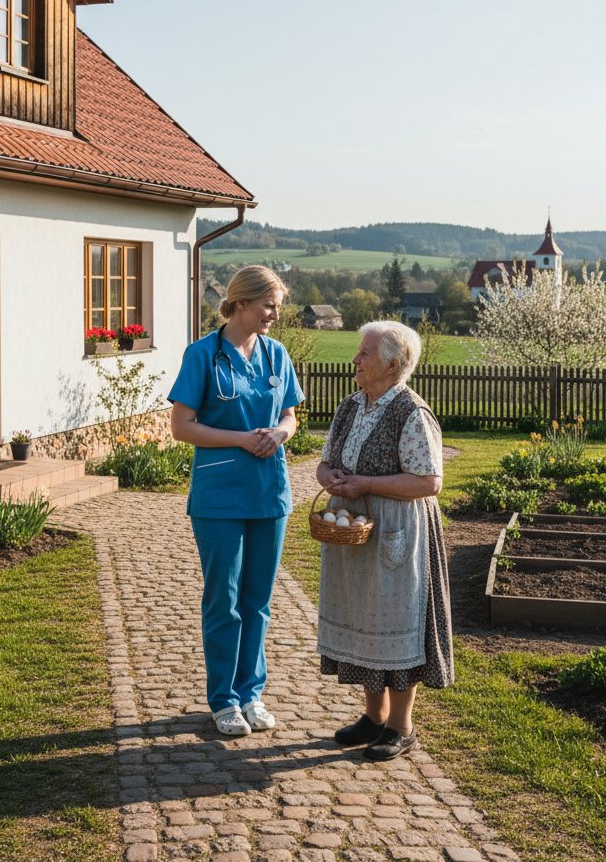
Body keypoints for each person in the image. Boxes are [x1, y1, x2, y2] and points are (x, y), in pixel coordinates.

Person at [169, 265, 304, 737]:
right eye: (269, 305)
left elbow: (290, 415)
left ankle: (251, 694)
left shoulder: (276, 354)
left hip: (269, 493)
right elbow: (182, 426)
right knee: (223, 601)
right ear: (241, 303)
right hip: (219, 497)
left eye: (277, 307)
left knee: (257, 602)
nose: (275, 315)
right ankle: (224, 700)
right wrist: (242, 439)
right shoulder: (202, 355)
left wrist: (280, 433)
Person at [316, 320, 453, 761]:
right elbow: (324, 463)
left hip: (397, 531)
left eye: (365, 353)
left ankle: (401, 727)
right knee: (364, 619)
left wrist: (366, 484)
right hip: (354, 531)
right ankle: (373, 718)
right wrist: (330, 477)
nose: (355, 359)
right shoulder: (350, 406)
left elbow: (429, 482)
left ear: (393, 364)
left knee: (396, 622)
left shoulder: (411, 412)